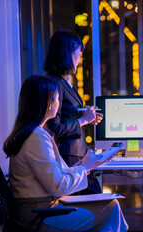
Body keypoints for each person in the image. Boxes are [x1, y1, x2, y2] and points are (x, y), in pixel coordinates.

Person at [3, 75, 128, 232]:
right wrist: (84, 168)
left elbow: (59, 175)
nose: (59, 102)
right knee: (111, 207)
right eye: (56, 97)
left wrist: (86, 165)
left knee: (109, 204)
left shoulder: (32, 133)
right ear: (47, 103)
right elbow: (59, 185)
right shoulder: (36, 137)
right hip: (40, 218)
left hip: (41, 212)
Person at [44, 29, 103, 194]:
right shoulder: (54, 84)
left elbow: (68, 115)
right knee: (95, 201)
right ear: (66, 54)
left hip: (77, 155)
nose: (80, 59)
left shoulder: (64, 82)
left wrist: (87, 117)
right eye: (78, 54)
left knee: (98, 198)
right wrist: (83, 120)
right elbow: (55, 128)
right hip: (68, 158)